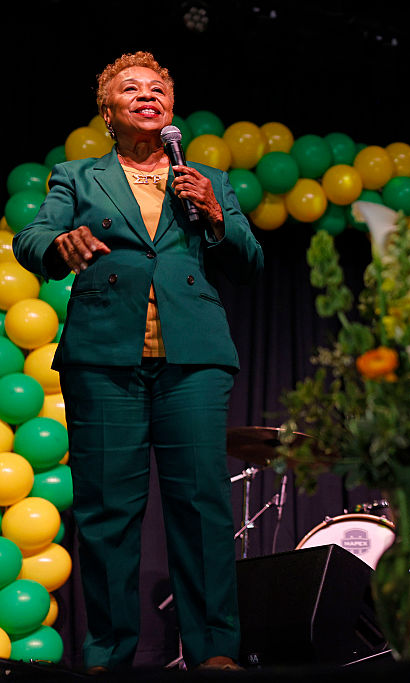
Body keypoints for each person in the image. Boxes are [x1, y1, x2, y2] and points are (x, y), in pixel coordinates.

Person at [12, 51, 263, 672]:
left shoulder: (206, 178)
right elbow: (32, 238)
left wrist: (213, 212)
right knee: (107, 512)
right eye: (131, 89)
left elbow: (250, 260)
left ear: (171, 107)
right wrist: (61, 244)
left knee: (202, 508)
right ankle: (107, 654)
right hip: (104, 358)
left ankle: (215, 651)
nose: (147, 95)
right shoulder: (77, 176)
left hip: (194, 360)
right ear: (108, 112)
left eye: (158, 89)